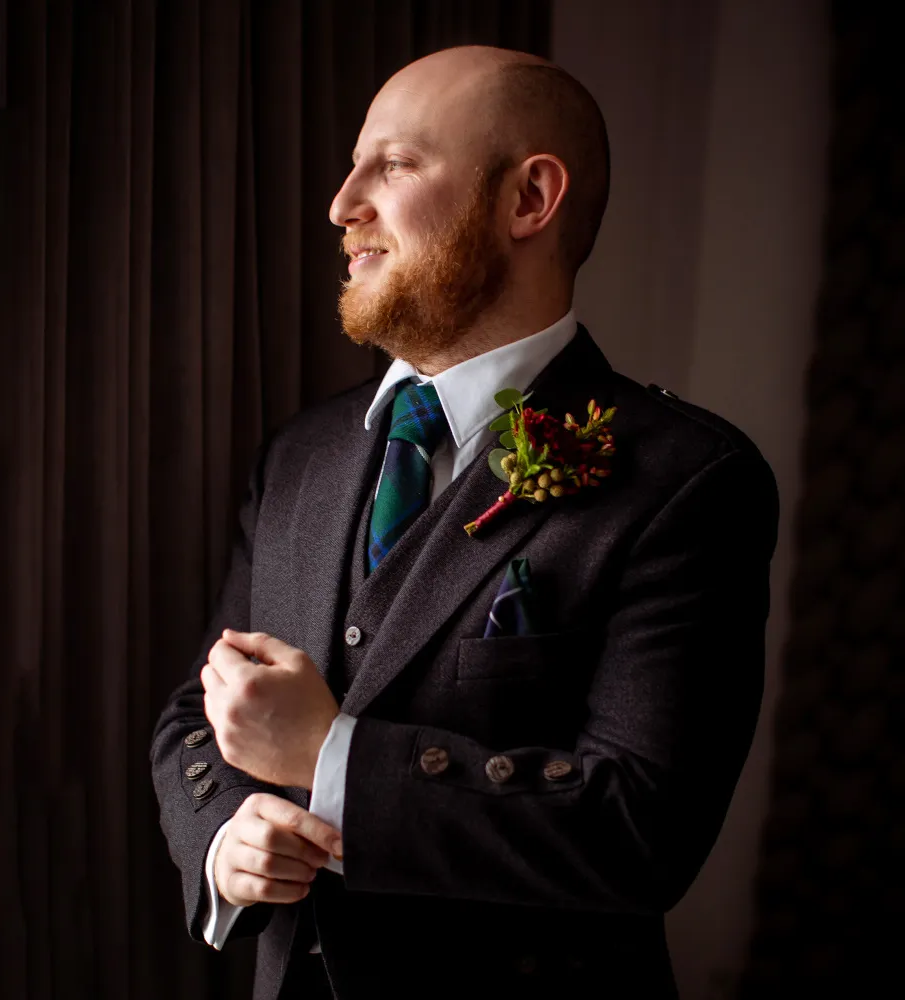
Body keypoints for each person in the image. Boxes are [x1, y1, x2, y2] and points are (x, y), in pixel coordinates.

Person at [151, 44, 779, 999]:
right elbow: (202, 710)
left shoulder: (689, 480)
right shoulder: (302, 454)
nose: (341, 203)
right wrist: (226, 832)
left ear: (529, 199)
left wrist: (330, 759)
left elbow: (640, 830)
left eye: (395, 165)